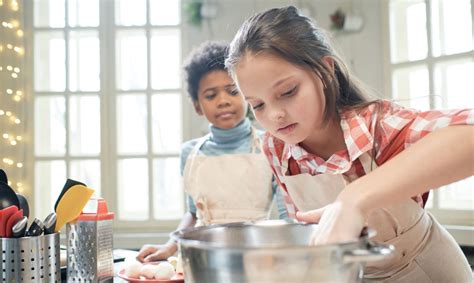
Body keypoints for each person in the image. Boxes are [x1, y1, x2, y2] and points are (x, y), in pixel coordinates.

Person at [225, 6, 473, 282]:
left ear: (325, 71)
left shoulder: (377, 127)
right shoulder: (277, 148)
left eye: (288, 92)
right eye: (257, 105)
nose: (274, 115)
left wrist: (353, 199)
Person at [137, 41, 288, 263]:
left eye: (232, 91)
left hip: (256, 257)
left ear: (247, 95)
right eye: (210, 95)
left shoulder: (272, 144)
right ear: (198, 106)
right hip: (204, 259)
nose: (223, 101)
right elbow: (193, 213)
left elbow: (287, 214)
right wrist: (170, 246)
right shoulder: (190, 152)